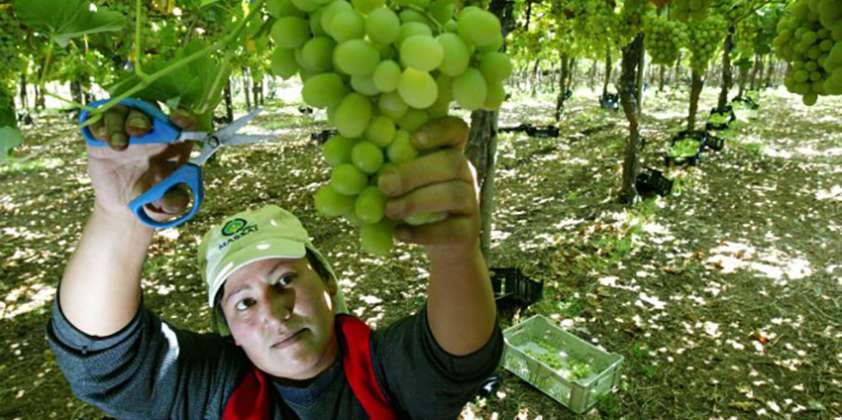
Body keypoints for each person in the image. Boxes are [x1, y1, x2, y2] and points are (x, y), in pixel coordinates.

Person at [47, 104, 503, 419]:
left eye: (285, 278)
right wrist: (118, 215)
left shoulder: (380, 367)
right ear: (227, 330)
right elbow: (101, 361)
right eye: (243, 302)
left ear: (328, 282)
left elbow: (454, 359)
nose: (274, 311)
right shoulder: (215, 391)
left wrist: (455, 255)